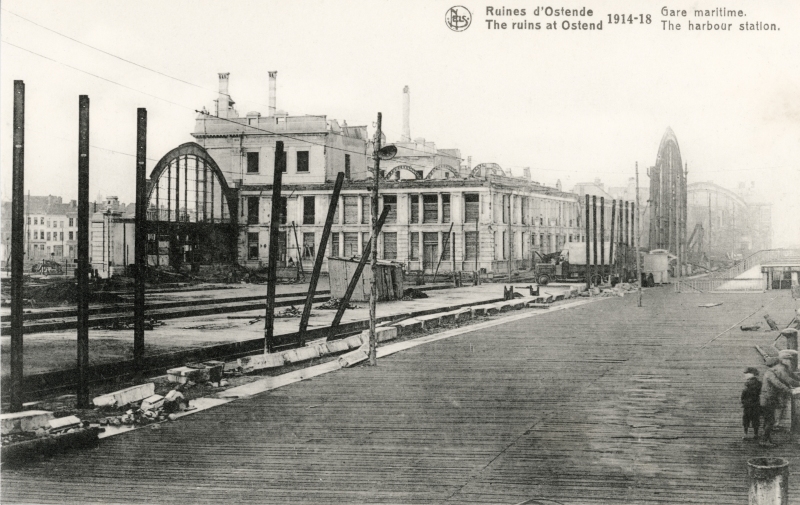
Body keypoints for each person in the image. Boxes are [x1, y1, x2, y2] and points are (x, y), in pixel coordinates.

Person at [759, 357, 793, 447]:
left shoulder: (770, 372)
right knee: (770, 421)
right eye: (779, 365)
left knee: (768, 420)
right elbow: (777, 383)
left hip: (767, 399)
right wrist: (790, 391)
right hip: (768, 400)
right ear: (775, 365)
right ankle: (764, 440)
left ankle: (767, 439)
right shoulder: (770, 374)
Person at [741, 367, 762, 440]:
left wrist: (743, 401)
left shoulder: (748, 383)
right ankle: (755, 434)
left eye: (746, 373)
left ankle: (746, 434)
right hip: (756, 403)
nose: (745, 375)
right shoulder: (759, 383)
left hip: (748, 404)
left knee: (746, 419)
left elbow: (744, 394)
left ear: (752, 374)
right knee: (755, 419)